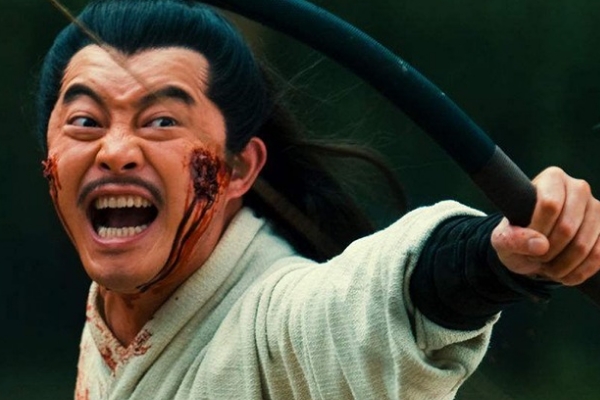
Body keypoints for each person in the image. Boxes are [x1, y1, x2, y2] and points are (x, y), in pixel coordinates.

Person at [36, 0, 600, 399]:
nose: (116, 151)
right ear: (49, 154)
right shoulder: (117, 308)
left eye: (162, 121)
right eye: (85, 121)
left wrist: (492, 254)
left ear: (240, 168)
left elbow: (370, 301)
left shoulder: (276, 323)